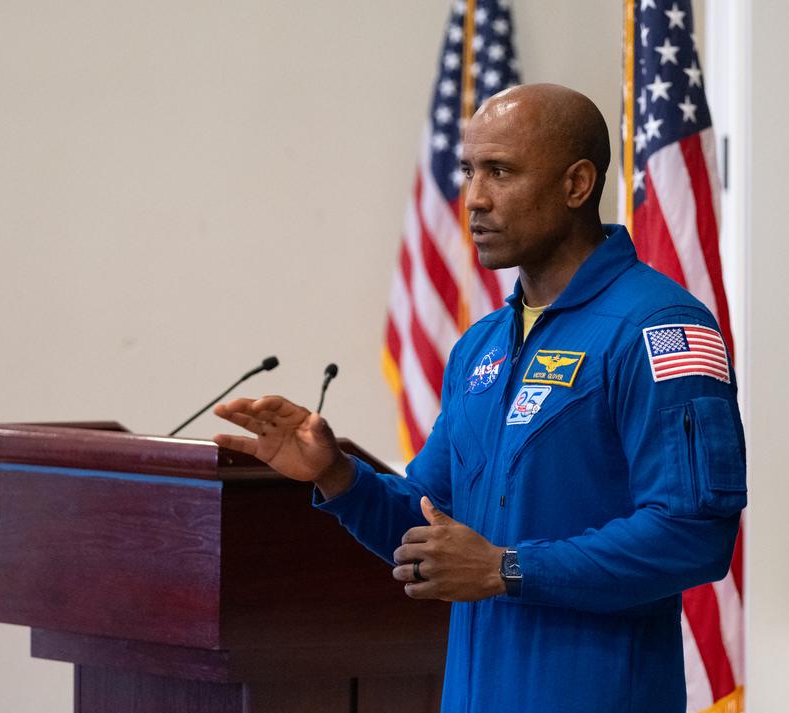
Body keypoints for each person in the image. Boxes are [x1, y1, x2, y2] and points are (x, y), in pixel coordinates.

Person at [213, 83, 745, 713]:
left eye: (501, 171)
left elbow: (691, 535)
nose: (475, 199)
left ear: (577, 185)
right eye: (470, 171)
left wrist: (508, 569)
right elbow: (430, 528)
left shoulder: (660, 328)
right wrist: (337, 476)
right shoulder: (481, 347)